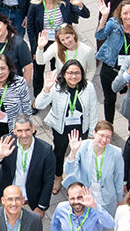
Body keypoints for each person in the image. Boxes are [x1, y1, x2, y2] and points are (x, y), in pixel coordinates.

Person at [63, 121, 123, 231]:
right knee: (83, 230)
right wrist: (73, 152)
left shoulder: (115, 152)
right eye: (101, 135)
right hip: (85, 198)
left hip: (106, 200)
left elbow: (119, 178)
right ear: (94, 133)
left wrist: (120, 200)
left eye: (108, 137)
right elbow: (68, 169)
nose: (104, 140)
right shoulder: (83, 147)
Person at [35, 61, 98, 194]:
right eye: (70, 73)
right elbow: (39, 105)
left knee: (80, 153)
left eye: (77, 73)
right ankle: (58, 177)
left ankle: (78, 179)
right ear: (63, 74)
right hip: (61, 128)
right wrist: (46, 89)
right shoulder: (56, 87)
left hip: (82, 127)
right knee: (59, 152)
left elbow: (93, 110)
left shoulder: (89, 87)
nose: (73, 76)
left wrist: (92, 132)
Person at [27, 0, 90, 99]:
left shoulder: (65, 1)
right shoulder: (35, 5)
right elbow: (30, 28)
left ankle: (54, 96)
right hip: (43, 43)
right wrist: (35, 48)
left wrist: (80, 5)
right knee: (38, 72)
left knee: (57, 70)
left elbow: (86, 15)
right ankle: (38, 97)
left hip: (61, 42)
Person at [0, 115, 56, 217]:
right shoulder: (7, 141)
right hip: (10, 198)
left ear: (33, 129)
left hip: (31, 202)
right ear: (14, 130)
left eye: (27, 130)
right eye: (19, 131)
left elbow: (48, 181)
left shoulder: (46, 151)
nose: (24, 135)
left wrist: (41, 206)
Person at [94, 0, 130, 123]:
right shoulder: (113, 24)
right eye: (125, 13)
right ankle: (109, 125)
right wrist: (104, 16)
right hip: (110, 68)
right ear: (120, 14)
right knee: (109, 99)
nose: (128, 16)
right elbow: (99, 36)